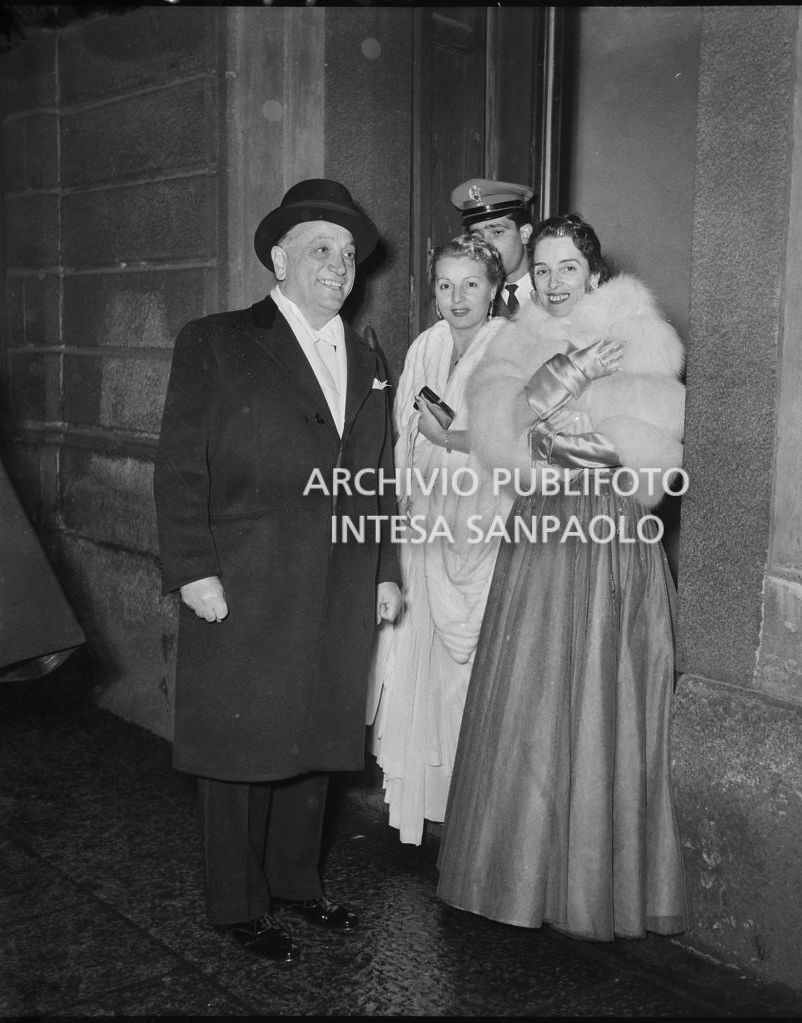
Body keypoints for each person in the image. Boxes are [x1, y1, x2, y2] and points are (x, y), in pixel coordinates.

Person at [153, 178, 403, 963]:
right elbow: (179, 465)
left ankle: (297, 883)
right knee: (241, 746)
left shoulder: (367, 356)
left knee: (317, 736)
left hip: (335, 582)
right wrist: (194, 569)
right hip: (246, 577)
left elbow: (375, 471)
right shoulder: (217, 339)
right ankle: (237, 903)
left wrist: (384, 569)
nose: (339, 266)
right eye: (321, 249)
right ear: (278, 258)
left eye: (349, 253)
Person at [436, 213, 691, 942]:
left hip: (609, 536)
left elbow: (650, 456)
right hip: (540, 533)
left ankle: (588, 882)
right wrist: (562, 386)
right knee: (533, 693)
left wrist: (563, 434)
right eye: (541, 270)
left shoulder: (641, 331)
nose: (552, 284)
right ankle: (516, 874)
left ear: (595, 273)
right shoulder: (515, 340)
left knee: (599, 693)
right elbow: (498, 434)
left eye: (567, 269)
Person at [367, 235, 514, 845]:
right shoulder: (425, 346)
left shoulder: (511, 346)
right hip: (425, 521)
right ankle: (430, 804)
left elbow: (517, 444)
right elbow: (403, 433)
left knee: (471, 668)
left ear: (495, 289)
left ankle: (476, 809)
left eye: (471, 284)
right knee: (420, 661)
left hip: (482, 522)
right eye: (446, 285)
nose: (457, 298)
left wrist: (455, 439)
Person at [451, 177, 535, 315]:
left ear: (524, 233)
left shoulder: (554, 289)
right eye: (477, 236)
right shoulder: (459, 300)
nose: (486, 245)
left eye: (497, 232)